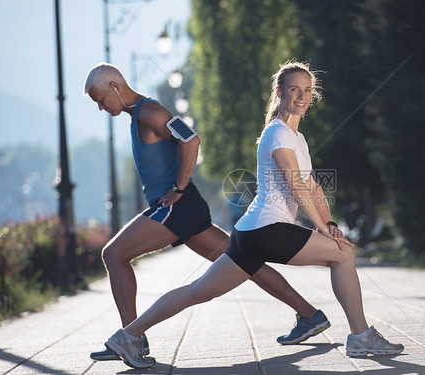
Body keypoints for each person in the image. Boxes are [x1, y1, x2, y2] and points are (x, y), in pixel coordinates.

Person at [102, 61, 404, 369]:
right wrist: (324, 232)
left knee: (199, 290)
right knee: (342, 255)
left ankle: (129, 335)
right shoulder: (277, 134)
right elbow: (296, 186)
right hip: (267, 230)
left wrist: (328, 223)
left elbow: (312, 187)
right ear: (279, 93)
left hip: (249, 233)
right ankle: (361, 335)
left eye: (308, 91)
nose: (302, 96)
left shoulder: (296, 138)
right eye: (294, 90)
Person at [83, 62, 331, 362]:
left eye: (100, 99)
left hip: (178, 208)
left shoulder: (150, 112)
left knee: (113, 254)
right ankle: (309, 315)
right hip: (185, 209)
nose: (100, 107)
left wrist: (179, 186)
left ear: (114, 87)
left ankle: (130, 338)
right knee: (244, 260)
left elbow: (191, 139)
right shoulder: (139, 115)